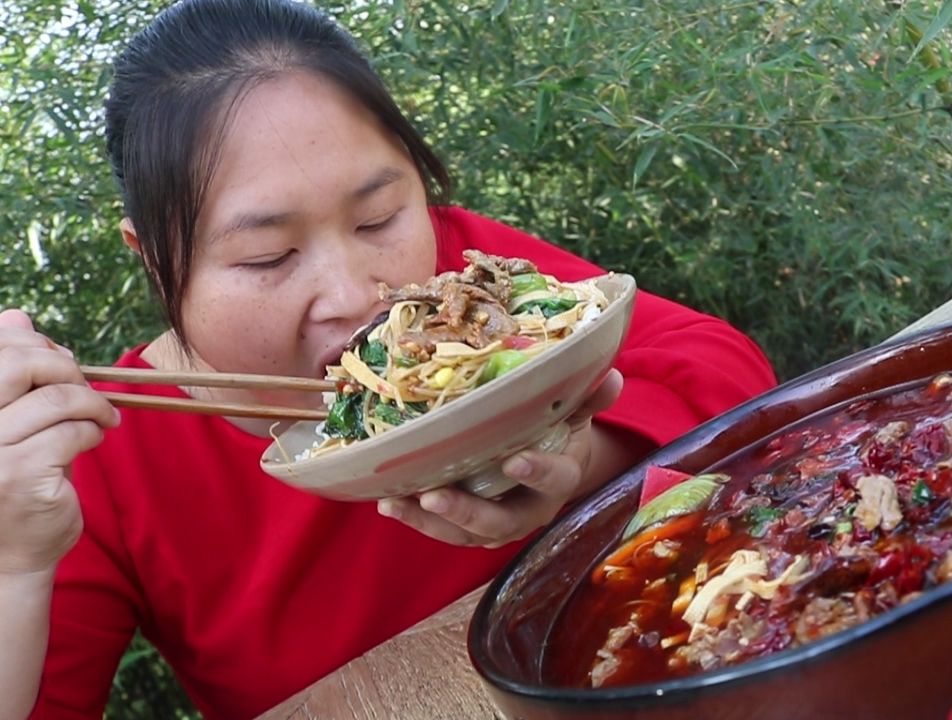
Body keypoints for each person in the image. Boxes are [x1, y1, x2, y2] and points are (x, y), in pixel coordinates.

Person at [0, 0, 779, 717]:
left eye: (377, 218)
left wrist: (583, 464)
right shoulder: (102, 454)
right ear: (151, 257)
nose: (356, 295)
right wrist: (13, 566)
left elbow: (730, 372)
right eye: (268, 257)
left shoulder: (465, 285)